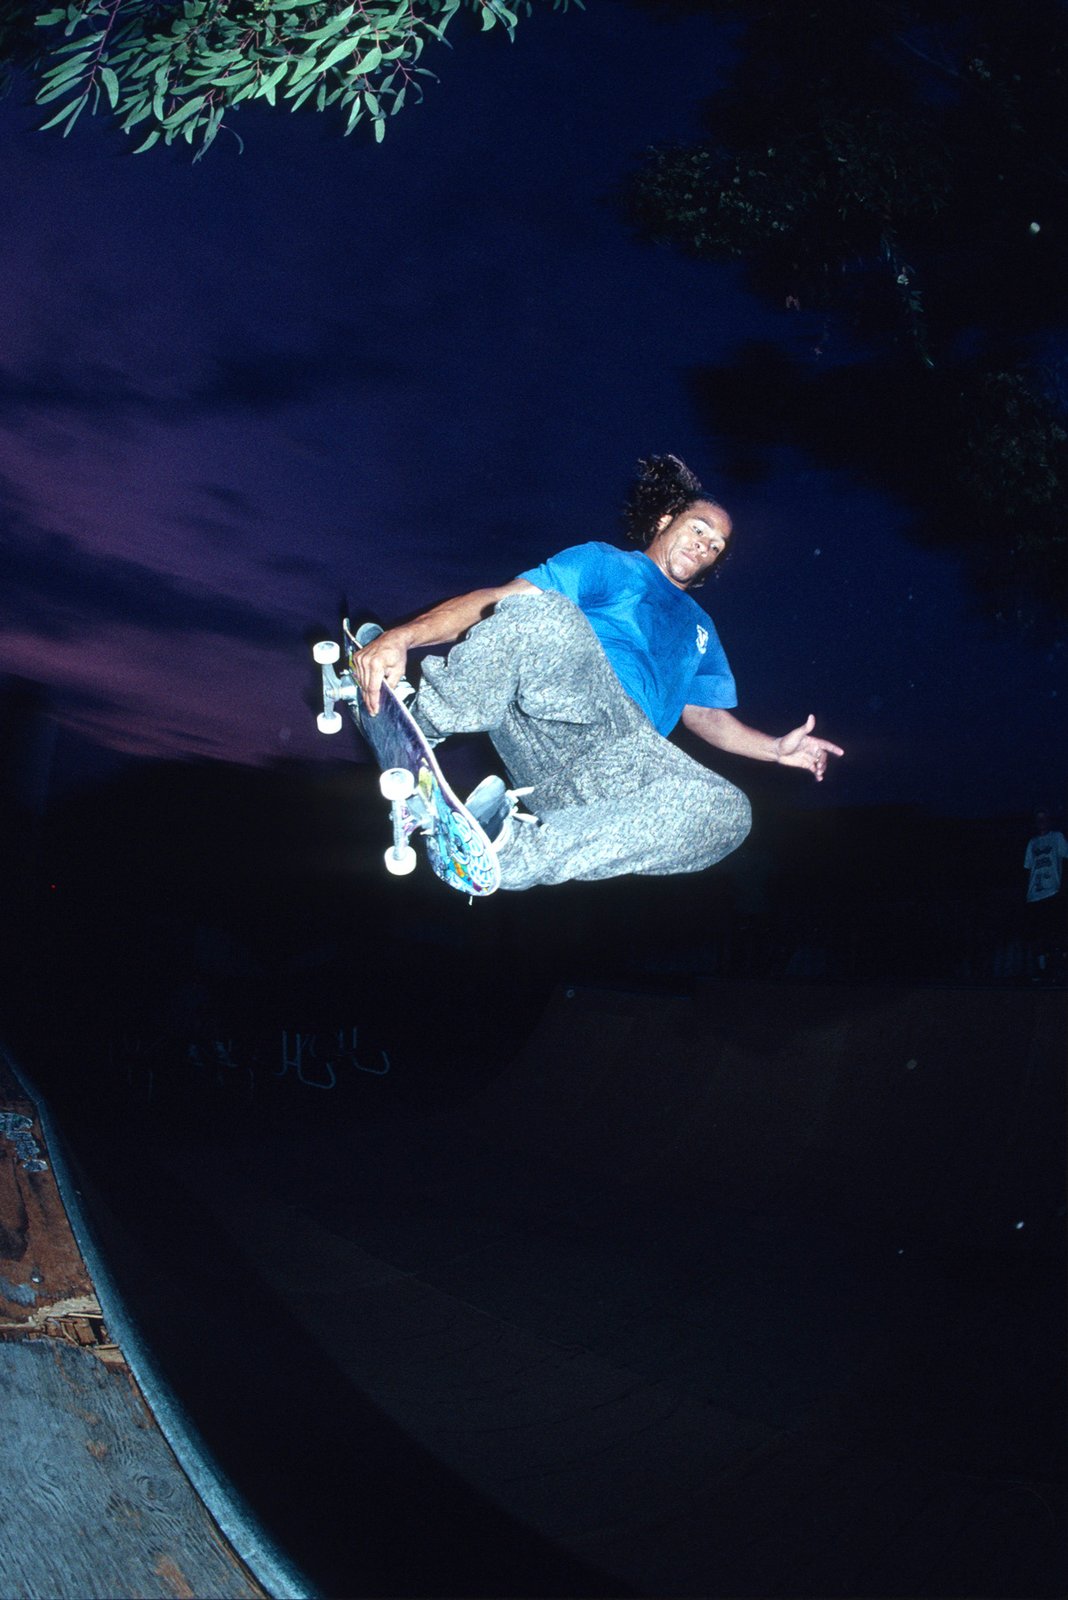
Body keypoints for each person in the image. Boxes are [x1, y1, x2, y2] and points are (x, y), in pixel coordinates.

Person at [355, 454, 844, 891]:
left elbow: (705, 714)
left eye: (716, 546)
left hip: (628, 759)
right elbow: (494, 604)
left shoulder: (701, 628)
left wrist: (774, 749)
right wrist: (405, 636)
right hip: (551, 710)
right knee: (544, 611)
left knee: (728, 812)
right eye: (698, 529)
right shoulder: (606, 564)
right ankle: (425, 718)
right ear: (666, 520)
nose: (705, 546)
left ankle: (506, 849)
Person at [1024, 809, 1068, 979]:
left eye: (1044, 818)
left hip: (1053, 891)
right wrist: (1027, 892)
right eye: (1038, 818)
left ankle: (1058, 967)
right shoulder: (1032, 842)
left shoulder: (1057, 837)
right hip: (1035, 894)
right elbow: (1028, 868)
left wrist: (1064, 886)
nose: (1041, 821)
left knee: (1056, 930)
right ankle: (1042, 970)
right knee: (1039, 933)